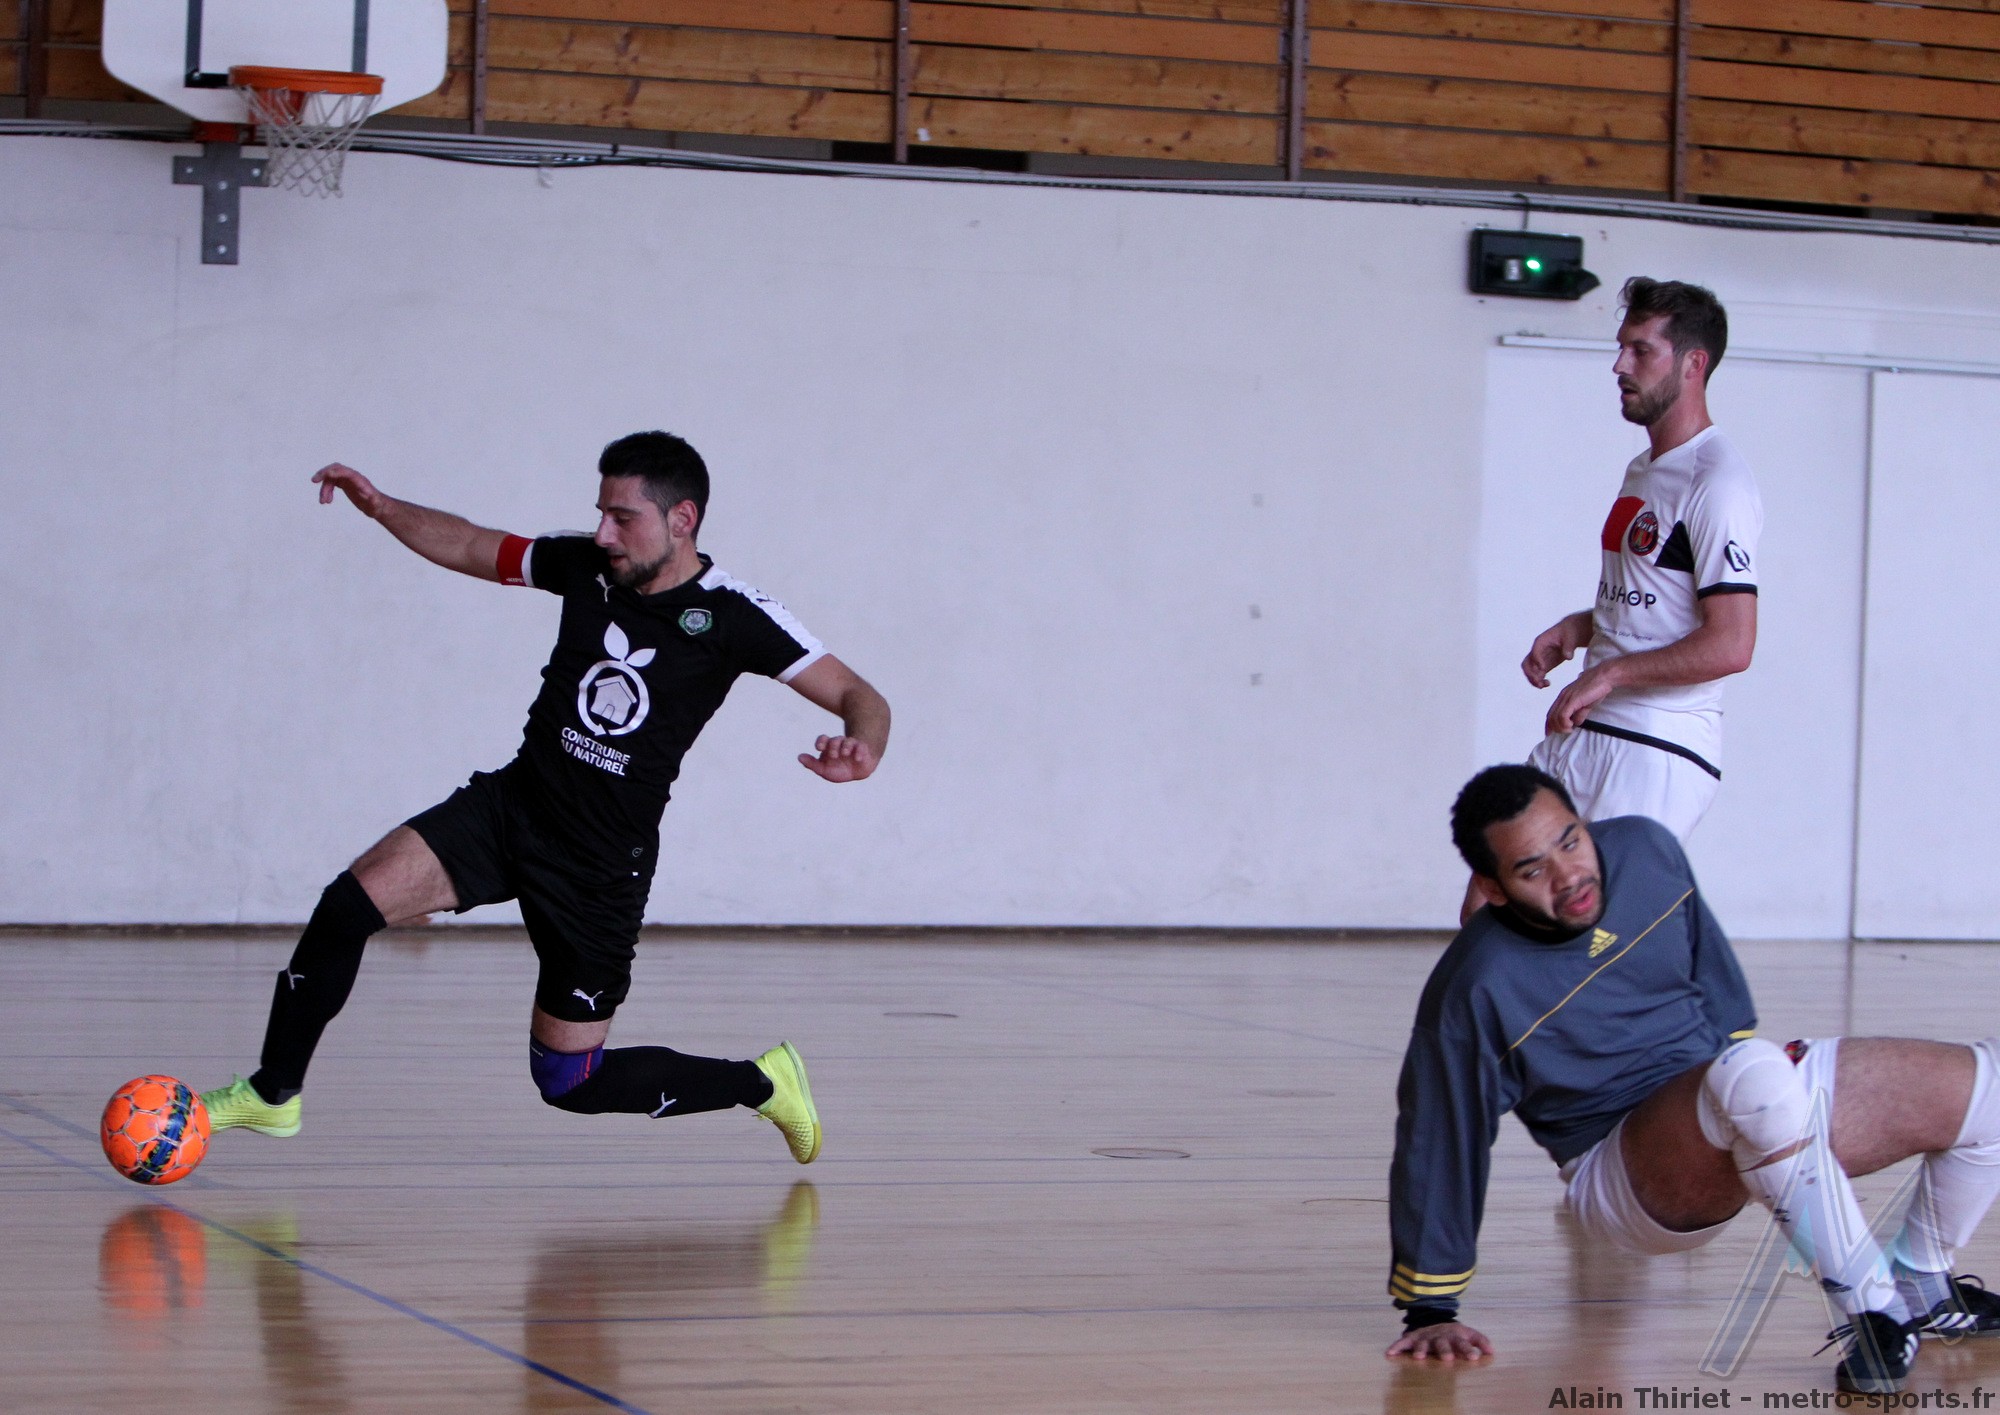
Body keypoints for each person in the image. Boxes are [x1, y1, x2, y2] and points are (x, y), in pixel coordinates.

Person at [199, 431, 891, 1164]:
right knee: (347, 906)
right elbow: (473, 544)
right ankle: (274, 1092)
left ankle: (763, 1082)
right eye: (600, 513)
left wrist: (863, 745)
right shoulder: (587, 565)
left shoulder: (734, 615)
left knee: (569, 1080)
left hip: (598, 866)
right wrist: (383, 508)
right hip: (512, 809)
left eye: (623, 517)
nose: (604, 533)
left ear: (682, 519)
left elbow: (860, 694)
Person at [1390, 764, 2000, 1392]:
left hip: (1731, 1095)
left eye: (1571, 841)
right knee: (1752, 1073)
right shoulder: (1475, 987)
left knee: (1990, 1086)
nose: (1567, 875)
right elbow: (1439, 1142)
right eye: (1531, 869)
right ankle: (1876, 1314)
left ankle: (1923, 1282)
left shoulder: (1646, 850)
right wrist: (1432, 1309)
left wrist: (1760, 1123)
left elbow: (1720, 996)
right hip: (1626, 1180)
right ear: (1492, 889)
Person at [1460, 278, 1761, 924]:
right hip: (1588, 730)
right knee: (1489, 906)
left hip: (1656, 747)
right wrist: (1581, 627)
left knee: (1590, 937)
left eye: (1640, 350)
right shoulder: (1645, 470)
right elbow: (1654, 601)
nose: (1620, 365)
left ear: (1693, 363)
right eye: (1621, 347)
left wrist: (1611, 672)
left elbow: (1732, 643)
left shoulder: (1719, 484)